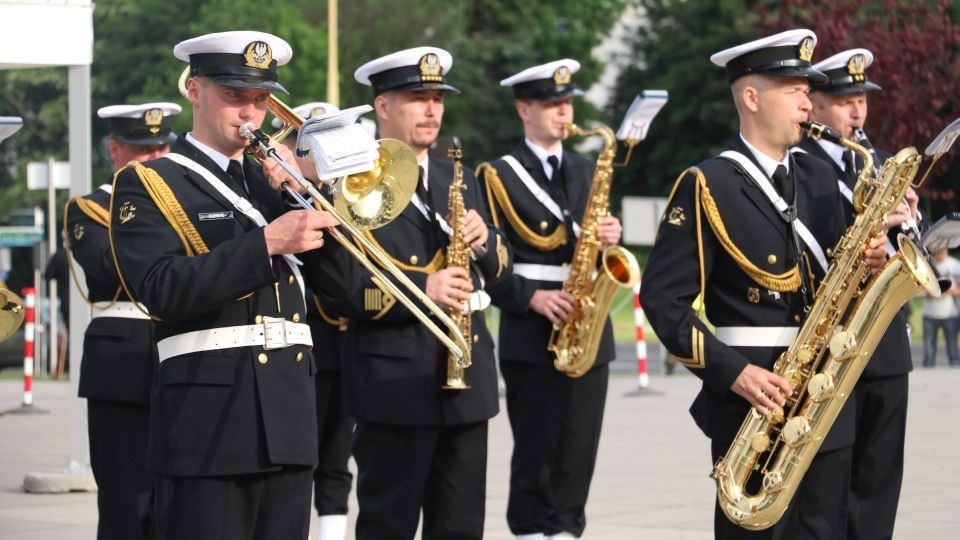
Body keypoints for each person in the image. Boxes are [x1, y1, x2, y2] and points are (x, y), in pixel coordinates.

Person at [641, 29, 888, 539]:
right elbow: (664, 302)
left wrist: (871, 266)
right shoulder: (707, 183)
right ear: (751, 98)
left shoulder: (821, 178)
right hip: (752, 408)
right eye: (793, 89)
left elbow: (837, 284)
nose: (807, 101)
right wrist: (735, 374)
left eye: (807, 89)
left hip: (823, 400)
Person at [108, 31, 354, 540]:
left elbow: (347, 292)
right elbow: (160, 289)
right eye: (234, 96)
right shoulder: (152, 182)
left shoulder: (275, 184)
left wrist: (309, 197)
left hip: (288, 423)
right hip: (208, 428)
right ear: (194, 90)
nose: (250, 113)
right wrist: (265, 243)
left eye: (261, 100)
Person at [324, 46, 506, 539]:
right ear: (383, 106)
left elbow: (502, 269)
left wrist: (485, 241)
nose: (432, 110)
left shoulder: (460, 176)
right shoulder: (349, 183)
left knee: (462, 527)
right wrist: (424, 290)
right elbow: (341, 287)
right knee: (389, 525)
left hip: (468, 381)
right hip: (394, 386)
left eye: (437, 98)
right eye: (417, 98)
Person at [475, 59, 622, 539]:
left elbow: (600, 251)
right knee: (536, 448)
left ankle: (567, 530)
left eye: (567, 103)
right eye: (553, 104)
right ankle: (533, 530)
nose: (565, 113)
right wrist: (531, 299)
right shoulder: (496, 175)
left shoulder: (586, 168)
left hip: (587, 322)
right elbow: (489, 261)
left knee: (580, 449)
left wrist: (610, 238)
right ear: (524, 110)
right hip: (532, 326)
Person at [796, 47, 920, 539]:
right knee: (830, 483)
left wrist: (907, 226)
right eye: (845, 99)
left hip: (886, 344)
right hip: (830, 346)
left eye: (862, 99)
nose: (858, 111)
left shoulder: (884, 162)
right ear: (816, 103)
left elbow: (915, 248)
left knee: (880, 477)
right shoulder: (797, 165)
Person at [64, 101, 179, 539]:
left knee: (181, 497)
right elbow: (108, 266)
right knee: (126, 500)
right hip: (123, 358)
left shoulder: (186, 201)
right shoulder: (90, 209)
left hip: (181, 353)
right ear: (115, 149)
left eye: (161, 147)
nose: (153, 157)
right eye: (140, 148)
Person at [274, 102, 355, 540]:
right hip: (306, 344)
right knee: (300, 458)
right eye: (311, 143)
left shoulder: (348, 195)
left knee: (339, 456)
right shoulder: (280, 197)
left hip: (345, 345)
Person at [923, 249, 960, 366]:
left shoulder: (954, 265)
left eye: (942, 250)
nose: (940, 252)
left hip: (950, 313)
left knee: (952, 346)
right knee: (929, 349)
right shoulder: (927, 264)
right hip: (930, 313)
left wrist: (946, 292)